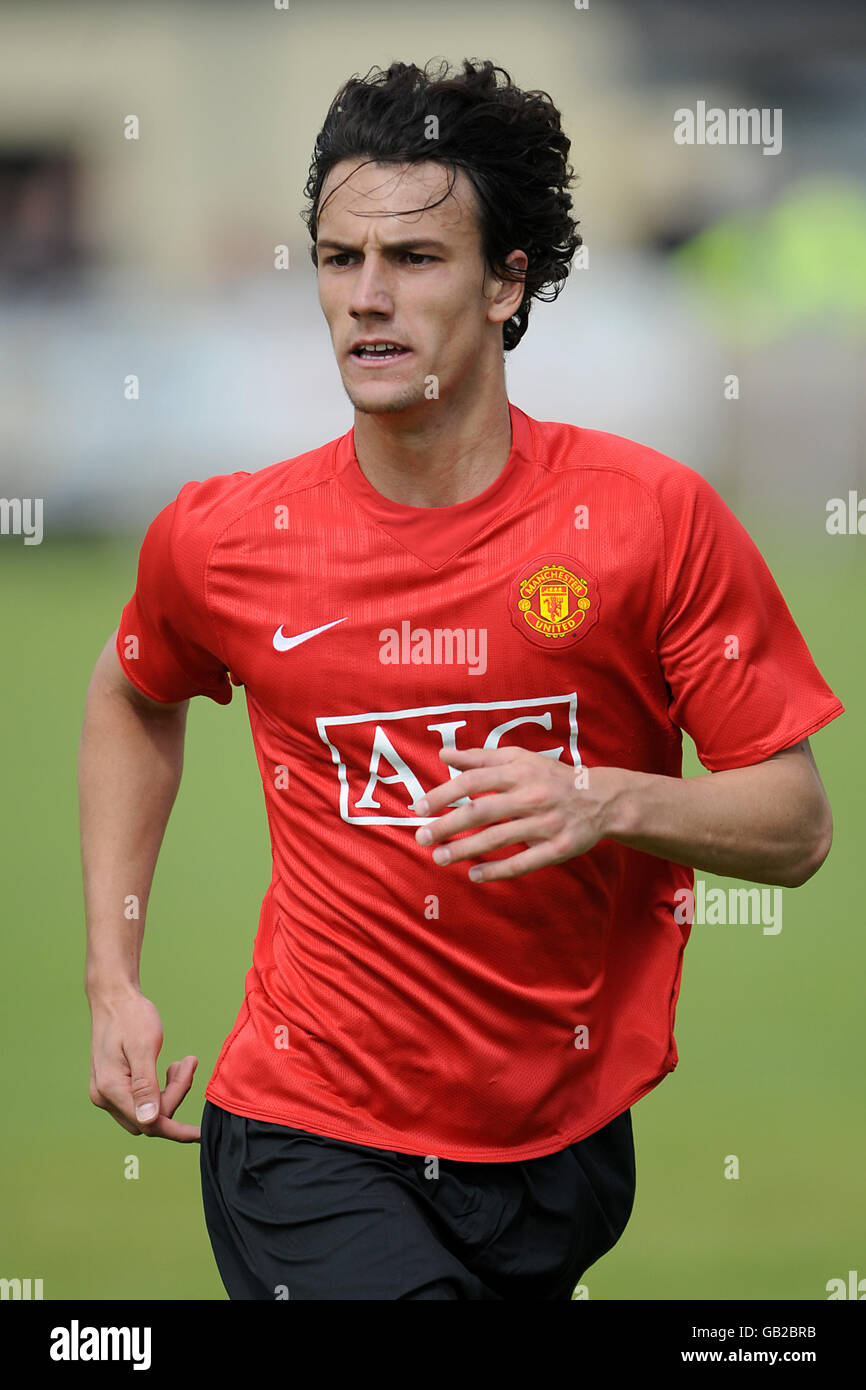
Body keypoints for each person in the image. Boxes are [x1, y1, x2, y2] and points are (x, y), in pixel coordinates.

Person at [79, 58, 844, 1301]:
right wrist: (114, 977)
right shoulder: (222, 539)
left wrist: (605, 799)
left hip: (561, 1147)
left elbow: (795, 822)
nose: (365, 300)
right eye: (338, 260)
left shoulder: (647, 521)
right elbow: (132, 692)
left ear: (507, 282)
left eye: (415, 260)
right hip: (306, 1129)